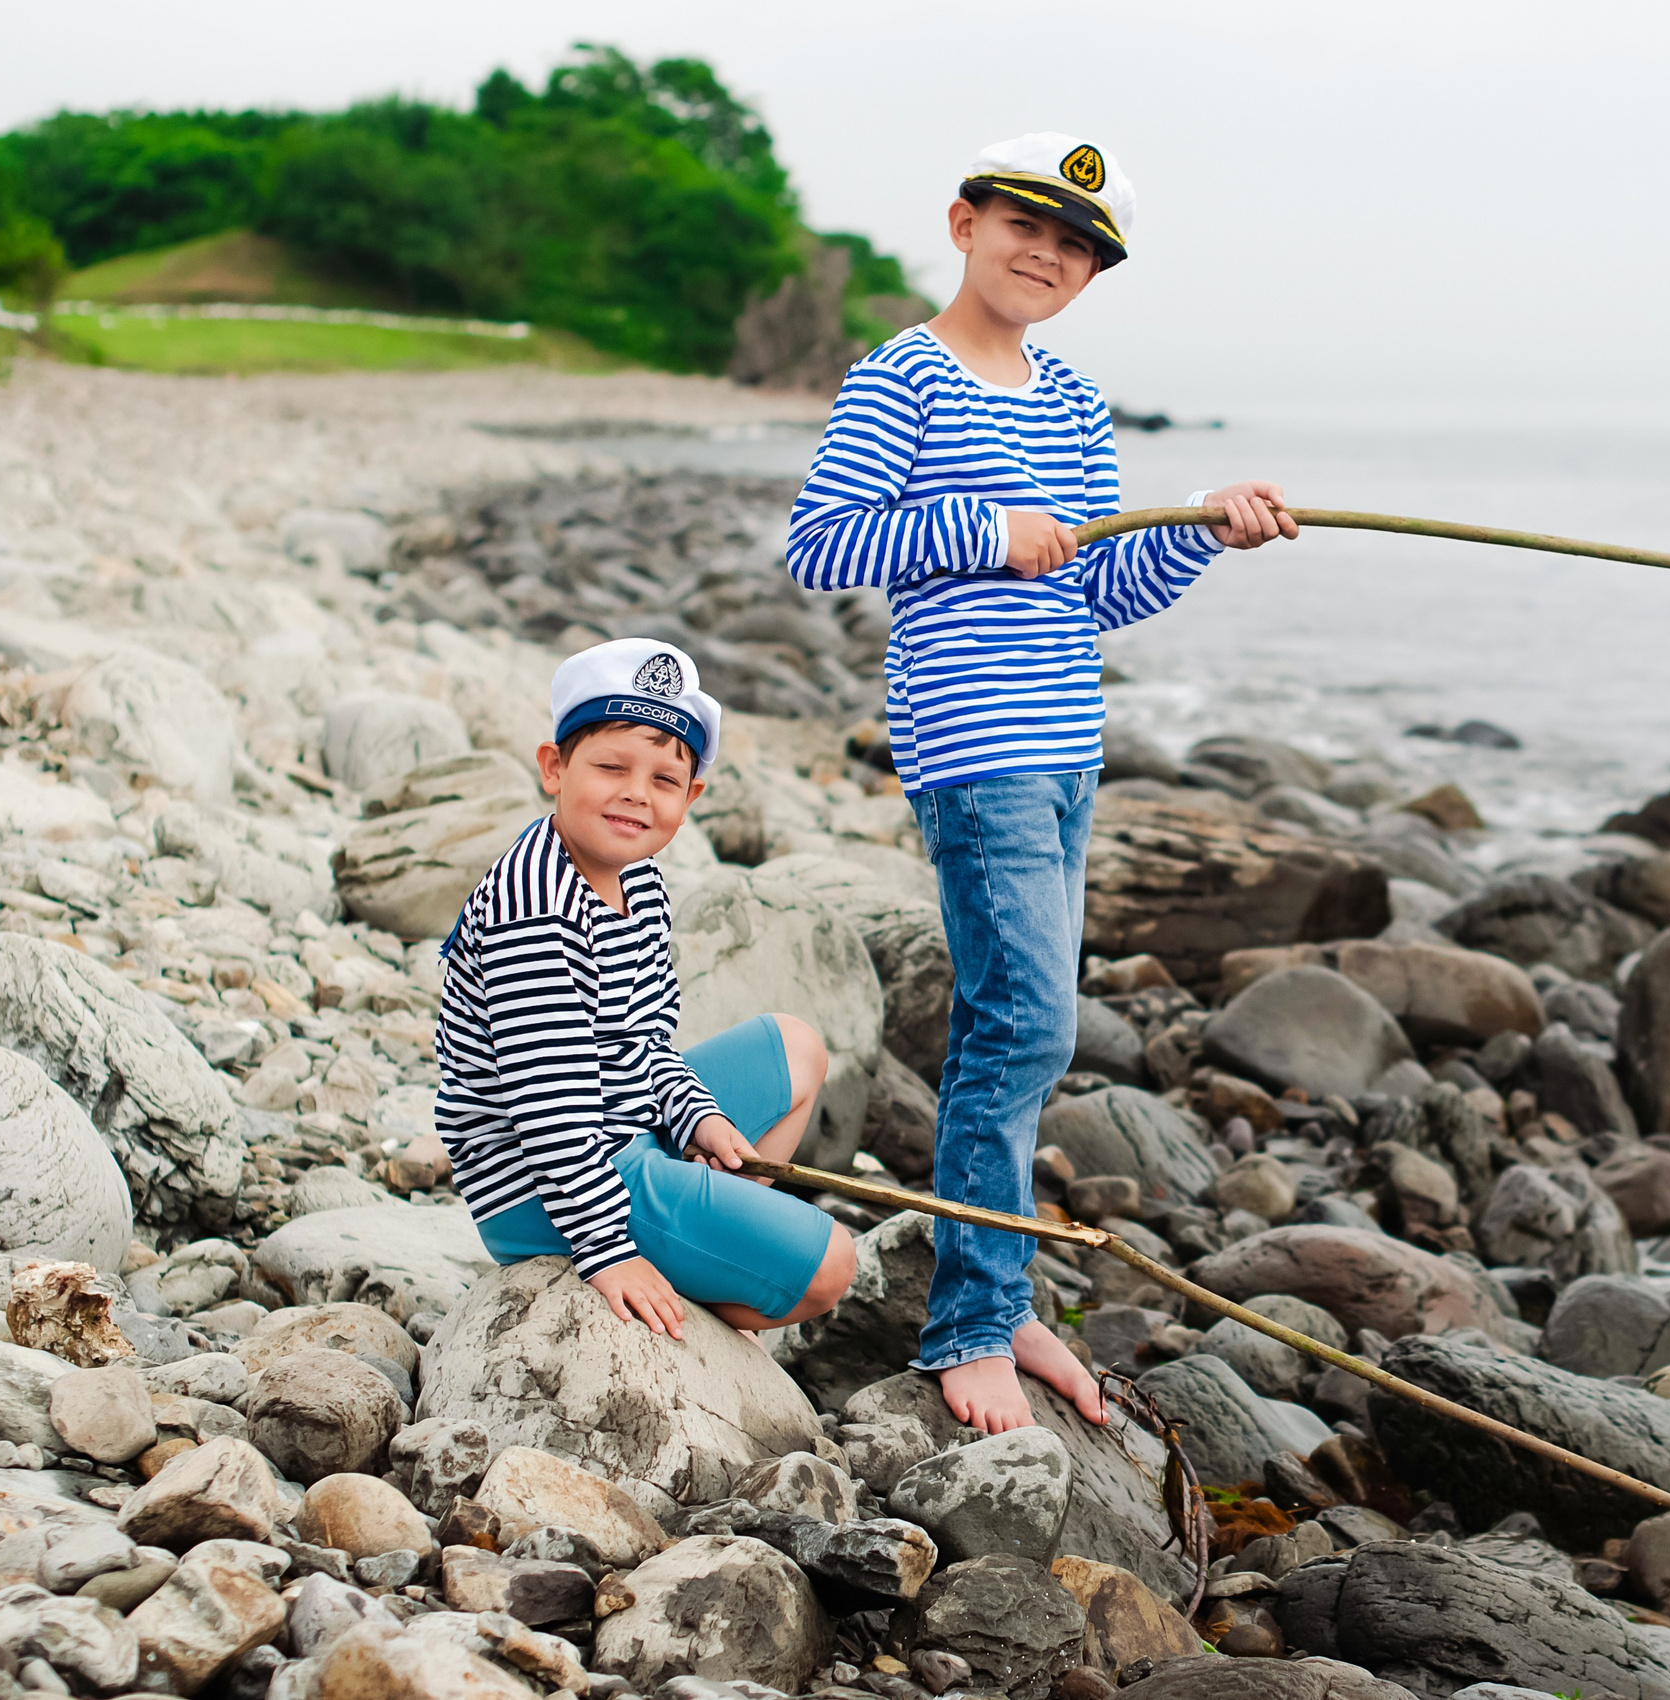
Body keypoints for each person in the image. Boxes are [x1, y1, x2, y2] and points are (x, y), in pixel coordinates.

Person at [784, 132, 1295, 1431]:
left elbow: (1089, 588)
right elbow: (820, 544)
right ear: (962, 223)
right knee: (1025, 1029)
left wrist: (1196, 533)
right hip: (972, 743)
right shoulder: (901, 375)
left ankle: (999, 1297)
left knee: (1017, 1028)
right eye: (1027, 225)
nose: (1048, 254)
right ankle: (968, 1324)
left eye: (1075, 247)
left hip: (1068, 740)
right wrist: (979, 528)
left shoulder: (1070, 396)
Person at [433, 638, 859, 1340]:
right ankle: (692, 1285)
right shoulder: (535, 908)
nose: (636, 792)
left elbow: (643, 1043)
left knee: (798, 1048)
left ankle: (705, 1238)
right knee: (831, 1268)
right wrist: (608, 1252)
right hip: (542, 1179)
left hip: (619, 1122)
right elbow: (551, 1104)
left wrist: (696, 1118)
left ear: (690, 797)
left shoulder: (637, 878)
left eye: (664, 780)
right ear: (554, 768)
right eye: (610, 767)